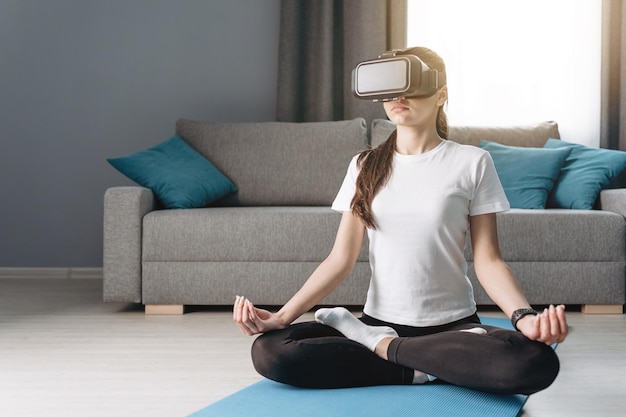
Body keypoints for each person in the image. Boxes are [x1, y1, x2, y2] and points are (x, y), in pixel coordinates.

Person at [233, 46, 568, 395]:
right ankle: (422, 367)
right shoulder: (363, 165)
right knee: (271, 352)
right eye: (391, 87)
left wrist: (523, 316)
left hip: (455, 329)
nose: (399, 97)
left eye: (411, 85)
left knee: (535, 363)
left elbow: (488, 260)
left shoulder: (472, 162)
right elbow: (340, 259)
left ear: (441, 96)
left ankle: (382, 348)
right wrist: (282, 316)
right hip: (381, 319)